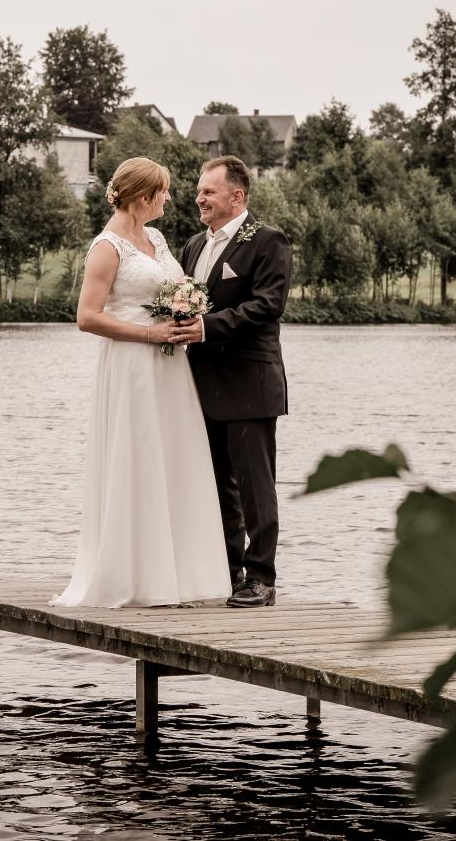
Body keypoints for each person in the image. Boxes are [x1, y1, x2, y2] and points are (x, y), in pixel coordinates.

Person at [51, 157, 233, 608]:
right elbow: (87, 317)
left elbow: (171, 287)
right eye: (164, 191)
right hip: (132, 364)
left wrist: (185, 309)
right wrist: (150, 333)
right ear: (142, 196)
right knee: (138, 460)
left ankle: (179, 577)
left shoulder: (155, 237)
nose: (171, 198)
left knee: (173, 458)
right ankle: (134, 575)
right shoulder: (106, 247)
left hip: (170, 366)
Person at [171, 155, 291, 608]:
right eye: (199, 191)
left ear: (236, 196)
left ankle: (262, 578)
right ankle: (228, 571)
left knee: (256, 486)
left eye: (208, 192)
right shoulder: (193, 246)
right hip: (201, 385)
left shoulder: (266, 240)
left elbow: (267, 305)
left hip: (250, 383)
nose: (198, 198)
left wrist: (207, 327)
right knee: (219, 485)